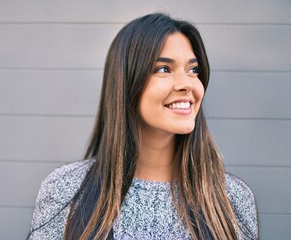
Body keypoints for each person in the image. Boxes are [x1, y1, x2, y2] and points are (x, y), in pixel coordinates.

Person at [27, 13, 258, 240]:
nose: (187, 84)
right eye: (163, 69)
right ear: (127, 82)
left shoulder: (232, 199)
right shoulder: (66, 190)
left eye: (193, 70)